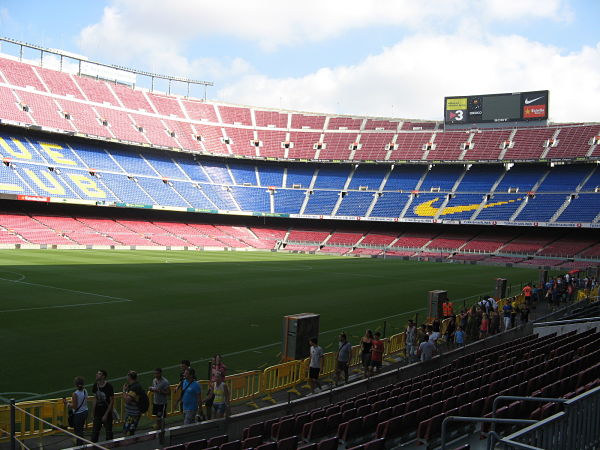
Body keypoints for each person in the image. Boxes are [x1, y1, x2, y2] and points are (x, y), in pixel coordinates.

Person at [91, 369, 114, 443]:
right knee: (94, 434)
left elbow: (111, 401)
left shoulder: (109, 386)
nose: (97, 375)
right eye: (97, 373)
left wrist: (106, 415)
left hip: (106, 413)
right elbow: (95, 399)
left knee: (108, 433)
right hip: (98, 413)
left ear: (103, 376)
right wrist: (93, 412)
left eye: (99, 374)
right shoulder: (95, 385)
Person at [66, 376, 88, 446]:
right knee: (81, 429)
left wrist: (67, 404)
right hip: (85, 411)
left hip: (79, 414)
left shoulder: (75, 394)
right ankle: (81, 443)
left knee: (78, 431)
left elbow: (75, 406)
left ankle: (80, 445)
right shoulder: (85, 391)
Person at [122, 371, 145, 436]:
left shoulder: (134, 388)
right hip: (134, 413)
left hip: (132, 414)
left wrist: (123, 391)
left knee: (127, 431)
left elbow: (127, 400)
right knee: (130, 430)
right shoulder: (135, 386)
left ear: (130, 377)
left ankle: (127, 444)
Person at [205, 355, 227, 419]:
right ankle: (209, 419)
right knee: (208, 404)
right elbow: (212, 377)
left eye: (214, 360)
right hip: (213, 387)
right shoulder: (213, 366)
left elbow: (218, 374)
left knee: (219, 406)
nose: (213, 362)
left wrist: (217, 365)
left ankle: (219, 419)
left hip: (219, 388)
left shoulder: (223, 367)